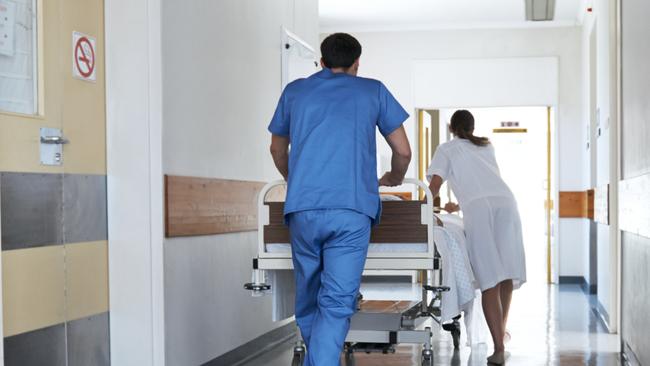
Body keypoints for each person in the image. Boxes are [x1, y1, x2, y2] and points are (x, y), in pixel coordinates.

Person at [268, 33, 411, 366]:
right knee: (336, 302)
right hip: (352, 211)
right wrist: (394, 179)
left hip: (303, 210)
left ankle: (318, 358)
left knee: (308, 298)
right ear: (357, 64)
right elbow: (403, 151)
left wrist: (297, 179)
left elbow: (277, 148)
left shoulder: (295, 92)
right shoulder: (373, 90)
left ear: (321, 61)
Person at [426, 110, 526, 365]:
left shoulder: (446, 149)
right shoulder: (485, 145)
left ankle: (499, 346)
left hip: (480, 210)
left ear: (451, 127)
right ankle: (500, 337)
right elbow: (487, 187)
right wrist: (457, 207)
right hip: (506, 203)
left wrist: (423, 209)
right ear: (472, 126)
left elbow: (435, 185)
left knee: (489, 277)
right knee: (504, 275)